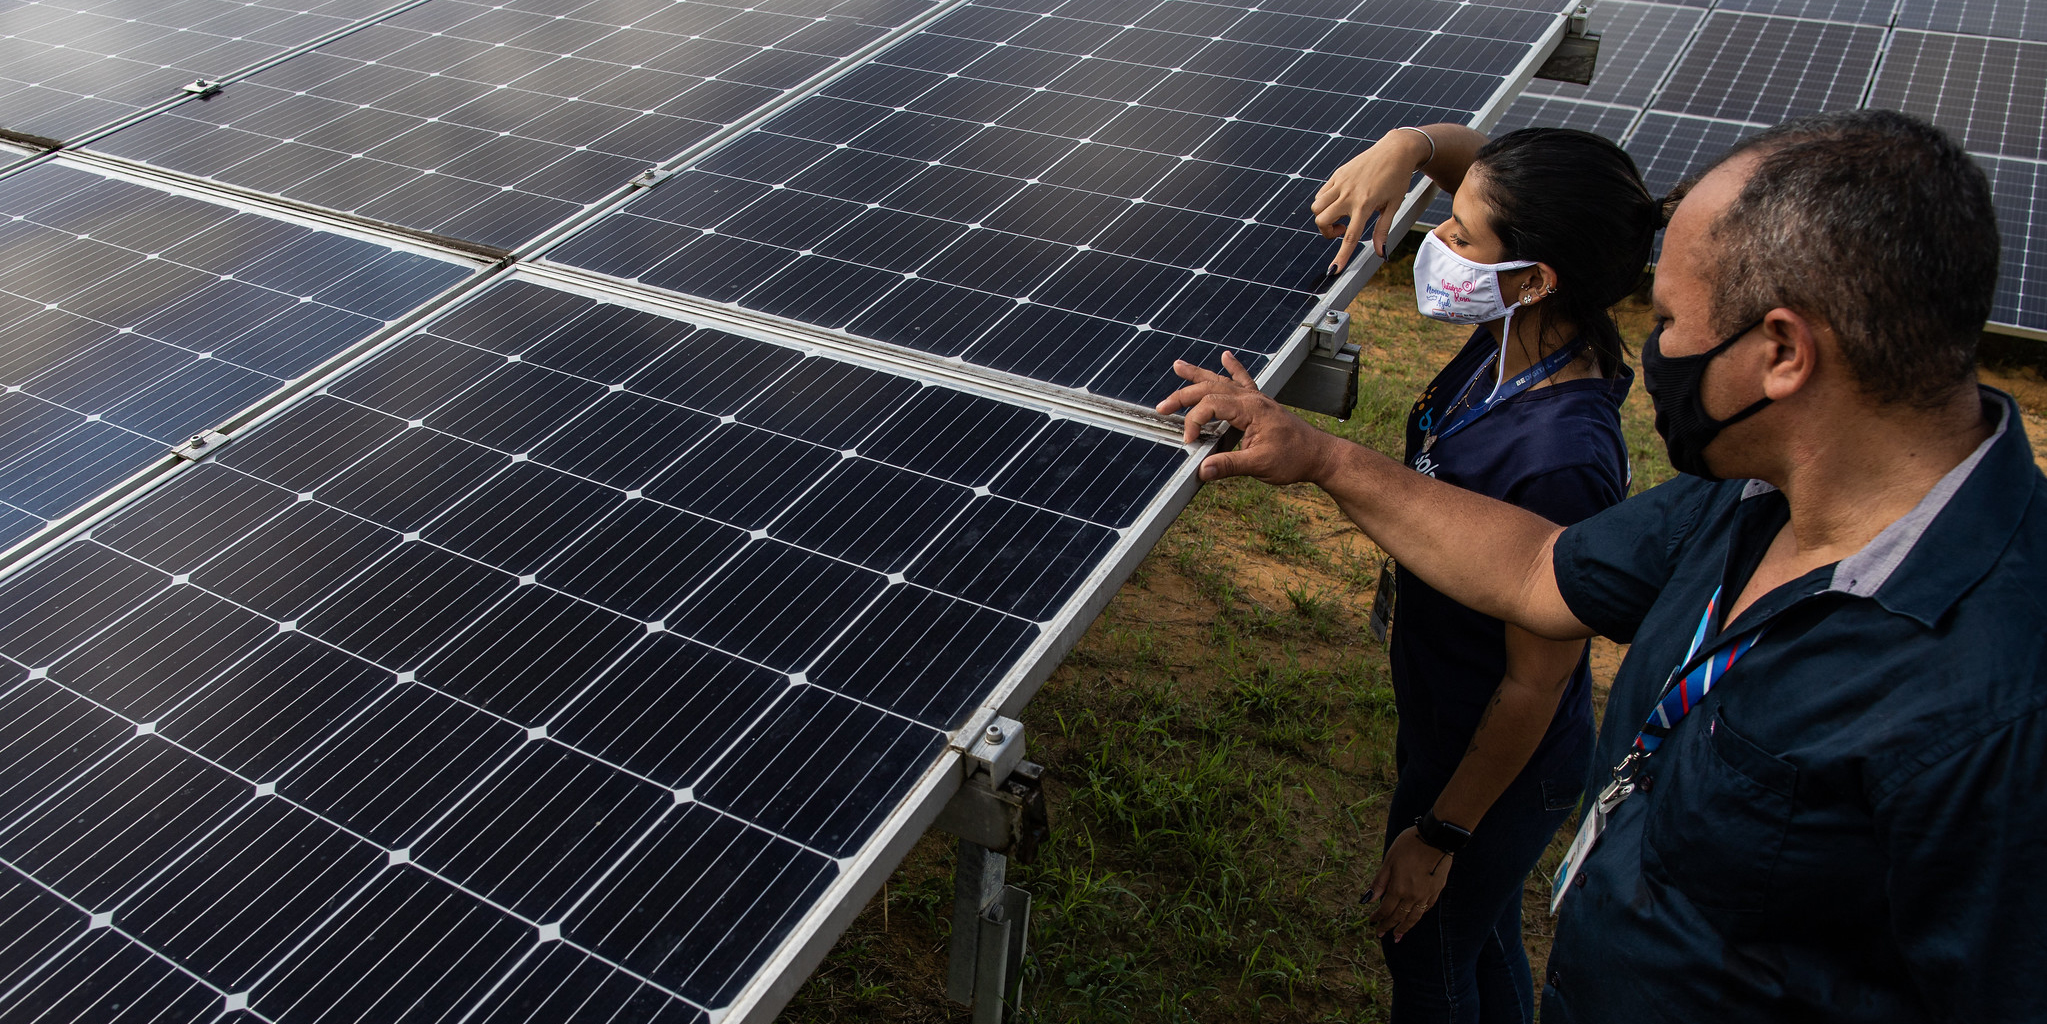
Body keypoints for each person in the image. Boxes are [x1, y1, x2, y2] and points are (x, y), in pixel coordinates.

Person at [1160, 108, 2041, 1021]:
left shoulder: (1998, 711)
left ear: (1781, 353)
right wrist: (1324, 457)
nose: (1651, 352)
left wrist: (1447, 830)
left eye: (1668, 321)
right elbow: (1542, 571)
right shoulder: (1749, 495)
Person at [1298, 124, 1656, 1024]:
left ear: (1536, 276)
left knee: (1425, 956)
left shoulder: (1557, 456)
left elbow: (1535, 685)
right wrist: (1409, 146)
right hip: (1444, 712)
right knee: (1475, 934)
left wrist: (1443, 831)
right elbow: (1493, 179)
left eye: (1458, 236)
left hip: (1494, 759)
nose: (1437, 247)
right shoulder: (1530, 330)